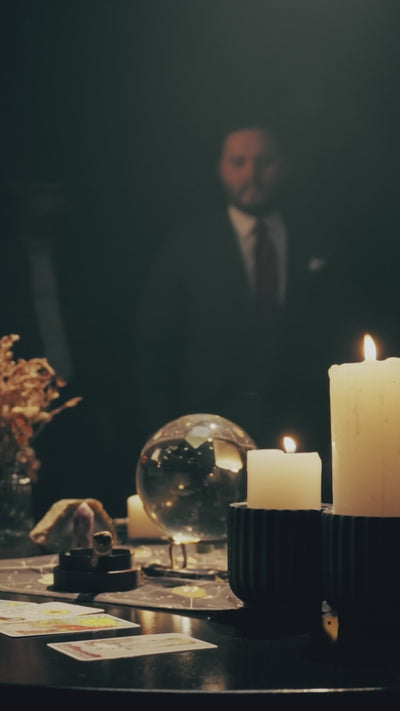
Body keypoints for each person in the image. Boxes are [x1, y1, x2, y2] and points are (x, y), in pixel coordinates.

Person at [135, 120, 344, 501]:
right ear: (221, 168)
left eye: (264, 161)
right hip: (209, 441)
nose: (252, 173)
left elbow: (339, 332)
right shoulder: (187, 245)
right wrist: (175, 442)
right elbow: (156, 347)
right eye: (239, 161)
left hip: (305, 435)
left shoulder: (319, 237)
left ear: (284, 166)